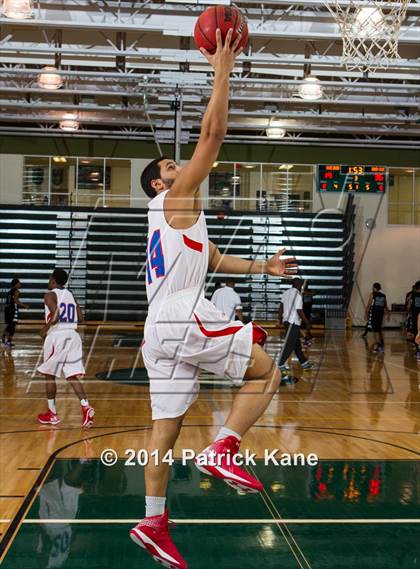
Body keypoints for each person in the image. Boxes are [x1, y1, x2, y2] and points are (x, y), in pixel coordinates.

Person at [128, 29, 298, 569]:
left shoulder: (178, 222)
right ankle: (222, 449)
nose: (180, 169)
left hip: (160, 328)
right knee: (267, 372)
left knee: (165, 430)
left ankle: (153, 521)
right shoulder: (176, 199)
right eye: (170, 169)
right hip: (180, 315)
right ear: (160, 186)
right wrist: (221, 67)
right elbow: (214, 133)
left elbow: (218, 261)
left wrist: (265, 267)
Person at [37, 268, 95, 428]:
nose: (49, 281)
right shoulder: (70, 295)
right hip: (73, 336)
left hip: (58, 336)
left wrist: (45, 329)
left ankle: (52, 414)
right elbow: (81, 317)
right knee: (71, 376)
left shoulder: (49, 295)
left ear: (53, 280)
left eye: (50, 279)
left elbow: (55, 315)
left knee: (49, 375)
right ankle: (85, 406)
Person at [277, 278, 313, 384]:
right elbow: (299, 310)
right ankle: (280, 364)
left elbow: (281, 307)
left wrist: (279, 319)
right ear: (298, 284)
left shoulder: (286, 293)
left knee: (297, 345)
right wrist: (307, 322)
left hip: (287, 322)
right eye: (301, 284)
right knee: (290, 345)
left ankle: (304, 363)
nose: (301, 285)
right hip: (293, 323)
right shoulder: (297, 295)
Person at [2, 278, 29, 348]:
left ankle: (4, 338)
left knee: (9, 325)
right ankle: (8, 341)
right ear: (16, 284)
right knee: (12, 326)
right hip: (12, 309)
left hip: (7, 309)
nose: (20, 284)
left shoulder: (9, 292)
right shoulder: (16, 291)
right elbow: (16, 301)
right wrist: (24, 305)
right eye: (19, 283)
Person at [365, 283, 390, 353]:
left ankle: (379, 346)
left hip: (374, 314)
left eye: (372, 287)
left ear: (374, 288)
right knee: (379, 330)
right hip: (380, 314)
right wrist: (388, 314)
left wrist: (366, 313)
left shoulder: (372, 294)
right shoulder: (383, 295)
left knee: (375, 330)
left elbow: (369, 305)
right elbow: (386, 306)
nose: (372, 288)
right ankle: (381, 344)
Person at [408, 281, 420, 359]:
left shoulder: (413, 295)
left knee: (416, 331)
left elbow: (409, 305)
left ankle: (418, 349)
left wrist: (408, 311)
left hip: (416, 315)